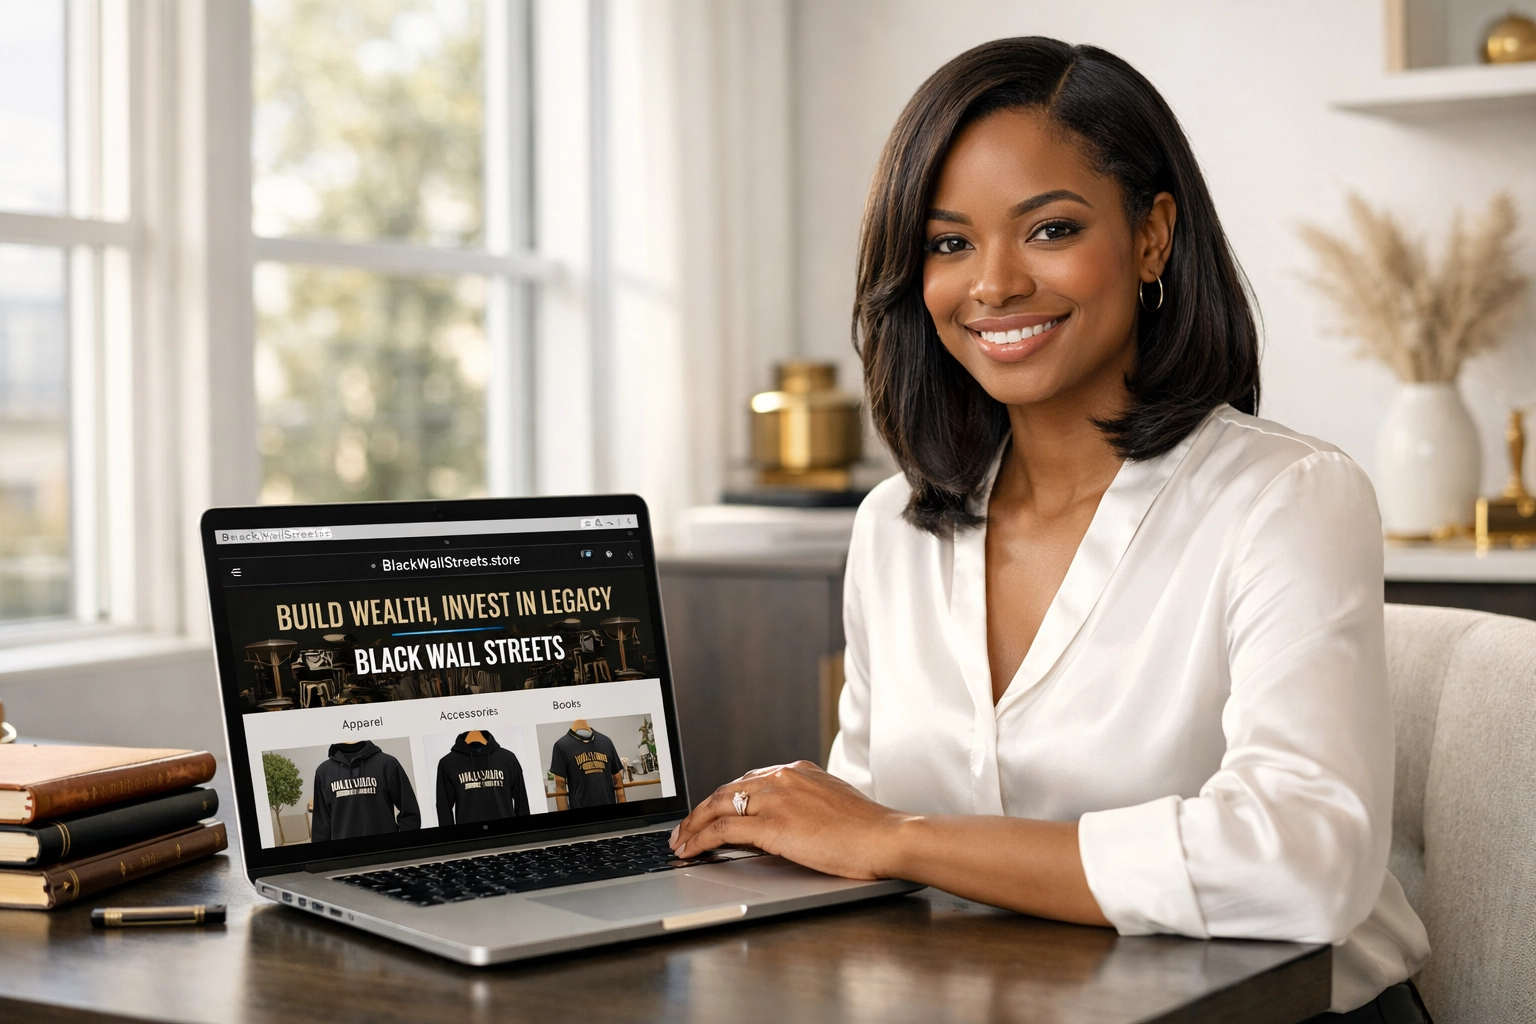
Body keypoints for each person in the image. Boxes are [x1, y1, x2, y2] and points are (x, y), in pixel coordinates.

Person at [669, 37, 1432, 1022]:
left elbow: (1304, 862)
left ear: (1153, 235)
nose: (993, 284)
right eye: (949, 243)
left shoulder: (1289, 497)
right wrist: (786, 836)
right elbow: (862, 825)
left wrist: (897, 836)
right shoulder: (893, 529)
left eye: (1050, 229)